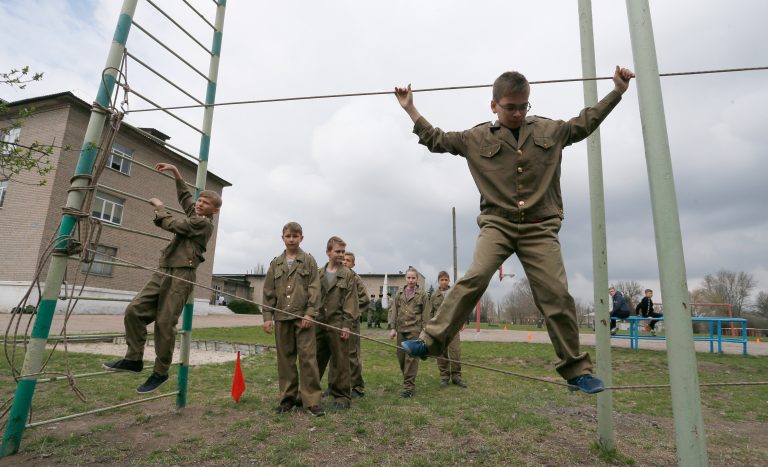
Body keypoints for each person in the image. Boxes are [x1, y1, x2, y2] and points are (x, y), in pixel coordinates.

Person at [394, 66, 635, 394]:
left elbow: (586, 121)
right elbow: (436, 139)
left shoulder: (551, 131)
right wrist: (410, 108)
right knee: (474, 278)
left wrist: (617, 91)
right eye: (511, 107)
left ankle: (576, 370)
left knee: (557, 294)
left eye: (524, 106)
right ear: (494, 105)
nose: (518, 113)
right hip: (498, 225)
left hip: (539, 227)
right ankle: (430, 342)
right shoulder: (475, 138)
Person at [103, 163, 221, 394]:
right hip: (164, 270)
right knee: (134, 311)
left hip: (182, 275)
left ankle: (160, 372)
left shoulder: (202, 223)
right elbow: (186, 198)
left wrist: (159, 207)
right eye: (200, 200)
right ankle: (134, 359)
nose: (199, 204)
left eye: (205, 203)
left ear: (213, 211)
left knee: (165, 323)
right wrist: (177, 172)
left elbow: (171, 223)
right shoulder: (195, 213)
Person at [262, 222, 325, 417]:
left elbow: (315, 289)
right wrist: (267, 317)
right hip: (282, 317)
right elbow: (268, 291)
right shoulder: (276, 263)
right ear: (282, 238)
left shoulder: (308, 261)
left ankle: (312, 400)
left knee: (308, 359)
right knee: (286, 360)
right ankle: (287, 398)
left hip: (302, 319)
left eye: (295, 236)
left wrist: (309, 313)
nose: (291, 239)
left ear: (301, 238)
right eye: (288, 236)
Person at [316, 236, 358, 410]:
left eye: (343, 251)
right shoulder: (318, 273)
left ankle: (342, 397)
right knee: (315, 359)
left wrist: (347, 324)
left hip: (338, 323)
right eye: (337, 251)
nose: (341, 255)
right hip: (318, 323)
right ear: (328, 252)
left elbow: (351, 301)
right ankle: (310, 394)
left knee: (341, 362)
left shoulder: (348, 275)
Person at [389, 267, 431, 398]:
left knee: (411, 360)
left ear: (417, 279)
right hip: (401, 330)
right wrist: (393, 328)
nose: (411, 280)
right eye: (408, 277)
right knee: (401, 359)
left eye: (413, 278)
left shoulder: (422, 295)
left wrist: (424, 332)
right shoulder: (399, 294)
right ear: (405, 278)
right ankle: (407, 380)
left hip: (415, 331)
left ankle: (409, 387)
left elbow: (426, 314)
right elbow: (394, 311)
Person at [431, 271, 466, 388]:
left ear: (449, 281)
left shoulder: (454, 293)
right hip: (439, 329)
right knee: (441, 353)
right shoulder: (434, 296)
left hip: (453, 327)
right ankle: (444, 376)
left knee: (455, 352)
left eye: (446, 279)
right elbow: (430, 313)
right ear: (438, 281)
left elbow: (460, 308)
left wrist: (461, 322)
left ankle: (456, 377)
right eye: (442, 280)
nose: (444, 282)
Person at [342, 251, 370, 398]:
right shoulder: (337, 276)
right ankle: (336, 385)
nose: (345, 262)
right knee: (336, 355)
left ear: (353, 264)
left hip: (351, 322)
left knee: (352, 355)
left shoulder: (355, 278)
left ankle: (358, 387)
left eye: (348, 260)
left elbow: (365, 299)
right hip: (337, 321)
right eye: (343, 260)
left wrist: (353, 311)